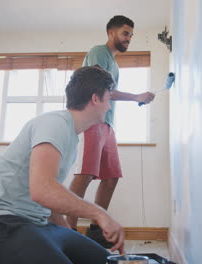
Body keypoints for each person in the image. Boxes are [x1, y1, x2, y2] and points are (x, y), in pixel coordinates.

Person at [0, 66, 124, 264]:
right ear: (95, 99)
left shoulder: (71, 136)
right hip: (0, 223)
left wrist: (71, 236)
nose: (109, 106)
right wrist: (99, 213)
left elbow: (49, 199)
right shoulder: (55, 123)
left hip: (39, 225)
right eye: (108, 99)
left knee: (106, 261)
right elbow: (42, 190)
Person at [67, 15, 155, 248]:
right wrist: (136, 96)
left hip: (107, 124)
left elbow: (109, 90)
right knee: (85, 174)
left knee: (111, 177)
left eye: (131, 35)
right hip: (92, 121)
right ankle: (68, 230)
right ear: (111, 33)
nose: (129, 39)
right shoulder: (99, 52)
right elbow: (100, 88)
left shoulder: (113, 64)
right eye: (125, 33)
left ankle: (96, 232)